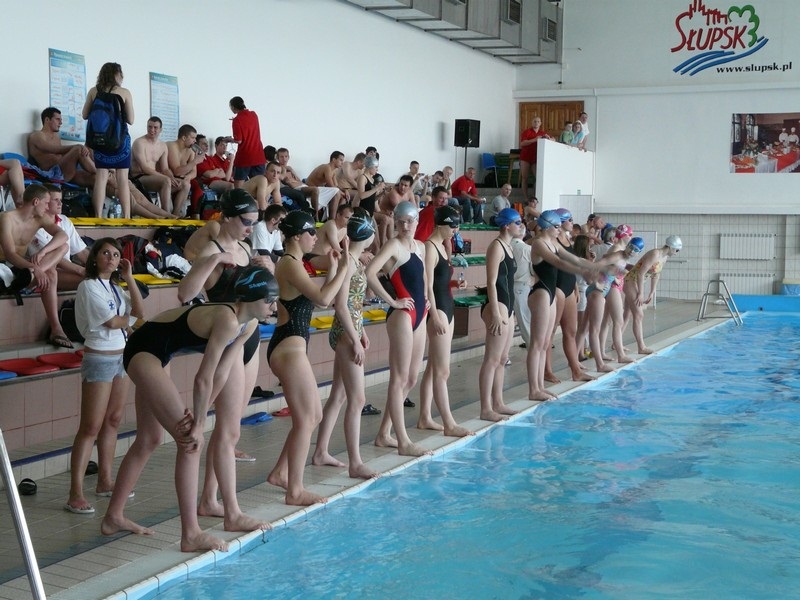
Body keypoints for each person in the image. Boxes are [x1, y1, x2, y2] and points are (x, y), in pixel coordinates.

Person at [101, 266, 277, 550]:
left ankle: (113, 517)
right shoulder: (227, 319)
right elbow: (202, 378)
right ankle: (191, 534)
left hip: (161, 354)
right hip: (143, 350)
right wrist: (197, 423)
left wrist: (200, 413)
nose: (274, 307)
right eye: (269, 300)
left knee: (150, 438)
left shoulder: (249, 324)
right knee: (190, 441)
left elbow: (220, 373)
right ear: (249, 297)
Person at [177, 189, 268, 506]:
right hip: (227, 341)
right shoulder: (211, 249)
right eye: (245, 221)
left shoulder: (245, 247)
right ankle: (214, 501)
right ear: (226, 217)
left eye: (254, 222)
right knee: (227, 430)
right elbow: (185, 293)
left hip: (249, 337)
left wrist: (265, 268)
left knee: (233, 428)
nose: (250, 228)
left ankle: (209, 497)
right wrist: (215, 260)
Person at [265, 210, 350, 505]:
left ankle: (280, 473)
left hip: (292, 346)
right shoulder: (289, 264)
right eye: (311, 232)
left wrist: (336, 265)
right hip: (288, 348)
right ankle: (295, 490)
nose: (315, 237)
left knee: (312, 416)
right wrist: (343, 269)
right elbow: (324, 299)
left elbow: (325, 289)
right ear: (298, 236)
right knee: (306, 419)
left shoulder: (296, 262)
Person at [65, 238, 145, 514]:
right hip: (99, 358)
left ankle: (105, 481)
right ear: (95, 257)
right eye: (106, 253)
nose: (111, 258)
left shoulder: (115, 287)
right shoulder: (88, 286)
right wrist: (131, 320)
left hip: (121, 357)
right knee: (90, 426)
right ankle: (75, 492)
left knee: (113, 420)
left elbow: (139, 312)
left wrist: (129, 278)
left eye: (116, 255)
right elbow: (113, 322)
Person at [312, 209, 380, 478]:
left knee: (339, 395)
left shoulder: (352, 260)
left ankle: (320, 452)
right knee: (358, 399)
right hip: (344, 333)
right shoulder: (349, 262)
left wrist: (360, 331)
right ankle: (355, 463)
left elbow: (353, 304)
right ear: (368, 235)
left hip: (349, 330)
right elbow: (340, 305)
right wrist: (354, 339)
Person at [366, 201, 432, 456]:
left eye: (409, 221)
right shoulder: (393, 245)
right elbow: (370, 272)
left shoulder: (421, 247)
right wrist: (392, 301)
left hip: (420, 313)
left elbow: (424, 279)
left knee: (412, 378)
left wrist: (427, 300)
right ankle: (403, 441)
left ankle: (384, 434)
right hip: (402, 315)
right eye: (400, 222)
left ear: (417, 222)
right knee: (399, 378)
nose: (405, 226)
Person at [527, 210, 598, 401]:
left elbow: (573, 258)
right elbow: (558, 262)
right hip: (541, 292)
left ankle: (540, 387)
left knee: (543, 343)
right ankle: (534, 388)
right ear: (548, 226)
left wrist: (595, 266)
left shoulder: (552, 243)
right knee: (538, 343)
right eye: (557, 226)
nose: (560, 230)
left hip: (550, 293)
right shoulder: (539, 243)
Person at [416, 205, 472, 437]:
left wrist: (454, 284)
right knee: (443, 371)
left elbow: (440, 281)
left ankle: (424, 417)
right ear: (441, 224)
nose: (455, 230)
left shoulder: (441, 246)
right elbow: (427, 285)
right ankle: (449, 424)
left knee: (433, 368)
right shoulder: (430, 247)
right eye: (453, 226)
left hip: (447, 305)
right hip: (438, 309)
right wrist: (435, 314)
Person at [0, 183, 72, 347]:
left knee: (62, 249)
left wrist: (43, 252)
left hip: (23, 270)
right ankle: (56, 329)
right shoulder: (6, 218)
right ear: (35, 202)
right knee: (51, 272)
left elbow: (63, 236)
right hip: (4, 267)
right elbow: (10, 253)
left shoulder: (40, 219)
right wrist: (35, 269)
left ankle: (56, 329)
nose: (48, 207)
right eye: (46, 203)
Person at [478, 208, 521, 421]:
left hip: (507, 306)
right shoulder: (496, 247)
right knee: (492, 359)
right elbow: (491, 282)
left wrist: (511, 312)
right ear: (506, 225)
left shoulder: (509, 246)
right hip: (497, 305)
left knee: (503, 358)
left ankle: (498, 402)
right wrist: (495, 312)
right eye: (517, 222)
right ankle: (485, 408)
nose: (521, 226)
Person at [82, 62, 134, 219]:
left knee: (101, 177)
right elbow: (131, 120)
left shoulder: (94, 91)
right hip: (120, 142)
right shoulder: (124, 92)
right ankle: (126, 216)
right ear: (117, 75)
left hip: (100, 142)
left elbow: (85, 115)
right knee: (122, 179)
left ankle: (98, 216)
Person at [624, 236, 681, 354]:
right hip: (631, 281)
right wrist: (640, 293)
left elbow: (656, 274)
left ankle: (616, 343)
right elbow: (640, 273)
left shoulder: (664, 257)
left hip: (636, 283)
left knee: (626, 315)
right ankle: (641, 347)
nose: (676, 253)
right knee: (639, 315)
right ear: (671, 247)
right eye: (676, 250)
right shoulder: (655, 254)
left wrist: (652, 291)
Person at [27, 183, 89, 290]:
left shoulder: (64, 220)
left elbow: (81, 251)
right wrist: (81, 270)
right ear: (45, 202)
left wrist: (97, 267)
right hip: (46, 270)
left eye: (60, 199)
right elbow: (53, 259)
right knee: (90, 281)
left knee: (99, 277)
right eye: (55, 200)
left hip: (68, 270)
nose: (60, 203)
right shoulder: (34, 223)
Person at [130, 117, 189, 215]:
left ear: (161, 129)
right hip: (139, 177)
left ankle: (175, 214)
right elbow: (145, 168)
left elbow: (165, 169)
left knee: (185, 184)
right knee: (166, 181)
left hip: (155, 178)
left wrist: (171, 177)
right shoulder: (139, 143)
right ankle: (166, 215)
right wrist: (167, 178)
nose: (152, 130)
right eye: (149, 127)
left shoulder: (162, 146)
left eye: (155, 127)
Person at [27, 107, 96, 187]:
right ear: (47, 120)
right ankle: (102, 173)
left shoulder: (56, 136)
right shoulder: (36, 136)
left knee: (95, 178)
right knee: (78, 149)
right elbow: (53, 150)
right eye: (57, 119)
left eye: (61, 120)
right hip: (53, 174)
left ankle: (103, 176)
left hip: (65, 170)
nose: (61, 123)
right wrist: (78, 146)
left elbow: (61, 154)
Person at [229, 96, 266, 187]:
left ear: (233, 107)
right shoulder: (254, 115)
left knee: (238, 187)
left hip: (245, 156)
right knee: (259, 186)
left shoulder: (237, 120)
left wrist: (229, 140)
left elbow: (239, 140)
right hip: (258, 155)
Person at [510, 217, 533, 349]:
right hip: (521, 286)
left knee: (508, 321)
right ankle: (532, 348)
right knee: (525, 321)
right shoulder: (527, 249)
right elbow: (533, 270)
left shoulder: (505, 245)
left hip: (506, 285)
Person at [306, 204, 352, 270]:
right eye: (347, 218)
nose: (349, 221)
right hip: (313, 257)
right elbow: (337, 249)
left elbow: (348, 247)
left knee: (351, 259)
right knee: (345, 260)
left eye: (351, 219)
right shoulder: (331, 225)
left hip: (326, 257)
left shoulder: (345, 228)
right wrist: (357, 256)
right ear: (338, 215)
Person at [518, 116, 552, 201]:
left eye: (538, 121)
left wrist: (549, 138)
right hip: (525, 157)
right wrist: (535, 139)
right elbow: (522, 143)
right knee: (525, 177)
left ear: (540, 123)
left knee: (538, 177)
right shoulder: (527, 132)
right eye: (535, 121)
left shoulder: (542, 133)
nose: (536, 123)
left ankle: (534, 197)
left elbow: (553, 139)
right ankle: (526, 198)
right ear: (532, 122)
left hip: (537, 158)